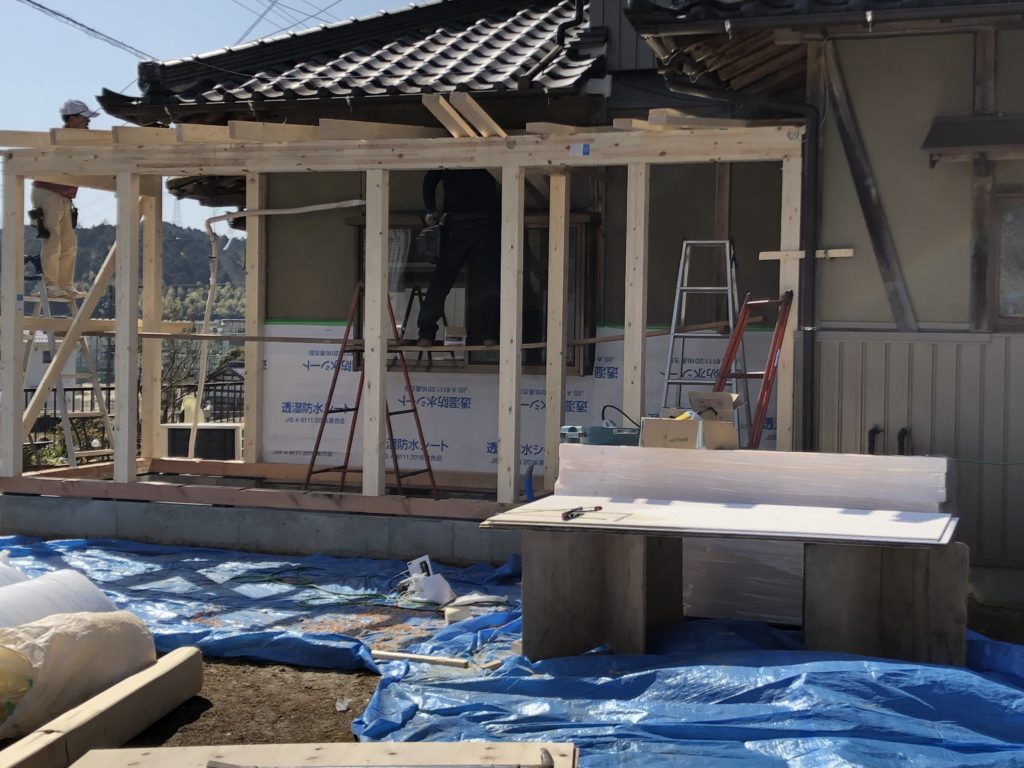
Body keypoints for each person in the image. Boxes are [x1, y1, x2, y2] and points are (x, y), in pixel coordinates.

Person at [416, 169, 501, 346]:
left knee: (441, 280)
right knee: (488, 282)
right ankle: (490, 335)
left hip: (456, 224)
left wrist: (430, 210)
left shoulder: (450, 157)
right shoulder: (488, 157)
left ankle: (426, 334)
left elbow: (429, 180)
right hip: (485, 222)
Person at [29, 99, 99, 299]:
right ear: (73, 118)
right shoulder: (62, 138)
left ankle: (65, 285)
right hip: (48, 191)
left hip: (63, 194)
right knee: (53, 239)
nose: (88, 122)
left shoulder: (77, 141)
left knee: (69, 243)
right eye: (85, 118)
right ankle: (50, 285)